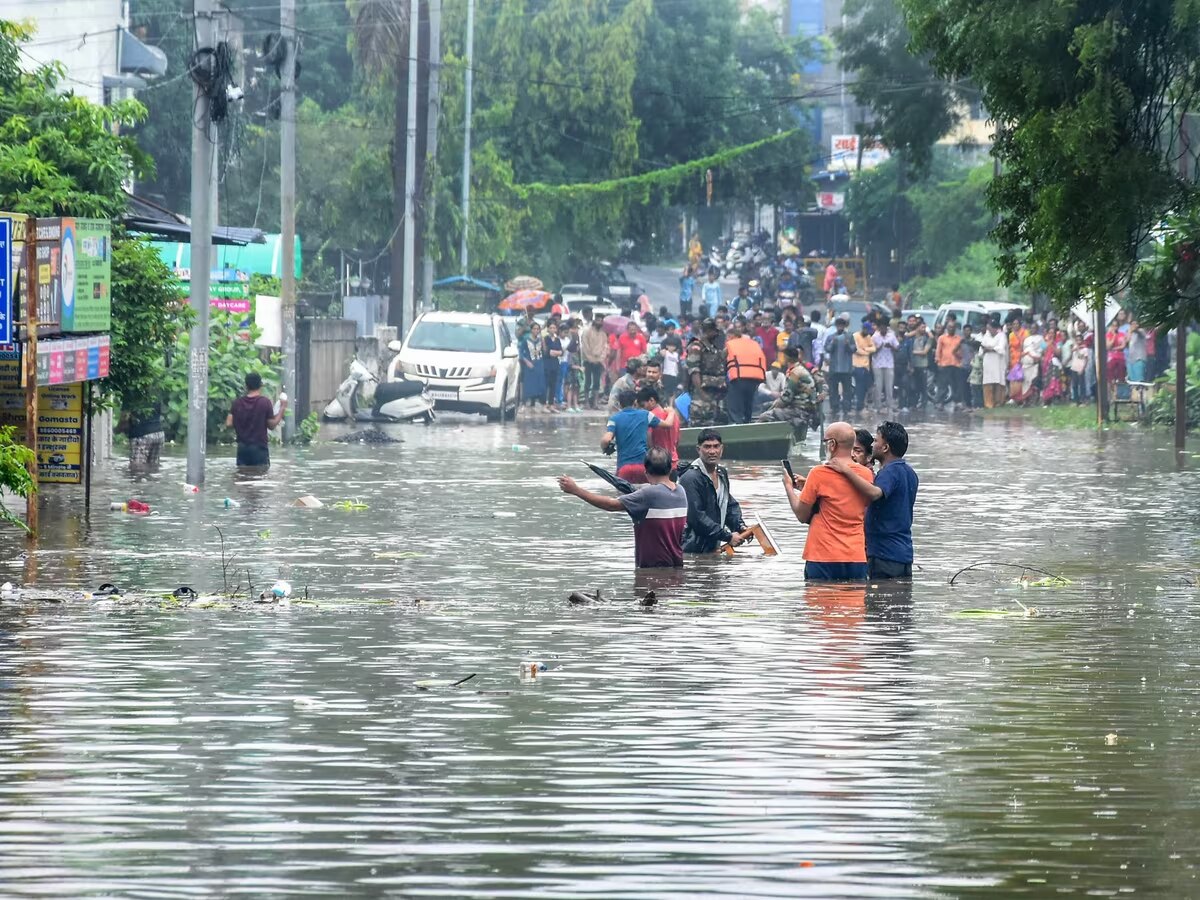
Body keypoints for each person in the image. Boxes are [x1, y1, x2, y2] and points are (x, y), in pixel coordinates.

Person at [557, 447, 687, 569]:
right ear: (670, 469)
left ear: (646, 471)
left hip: (652, 569)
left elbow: (610, 505)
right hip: (676, 567)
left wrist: (576, 490)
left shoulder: (648, 494)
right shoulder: (680, 491)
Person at [781, 421, 873, 580]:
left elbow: (802, 515)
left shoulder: (819, 473)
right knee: (854, 603)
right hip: (855, 555)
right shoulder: (866, 474)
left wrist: (789, 487)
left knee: (821, 601)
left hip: (822, 554)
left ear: (832, 444)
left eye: (825, 442)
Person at [826, 421, 917, 580]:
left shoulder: (890, 471)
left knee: (878, 602)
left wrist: (846, 470)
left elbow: (874, 493)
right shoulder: (909, 472)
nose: (872, 444)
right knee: (899, 602)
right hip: (903, 553)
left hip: (884, 554)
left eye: (876, 441)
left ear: (885, 448)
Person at [677, 429, 751, 553]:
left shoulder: (722, 473)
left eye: (716, 446)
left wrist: (740, 526)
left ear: (722, 449)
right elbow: (696, 517)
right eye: (707, 447)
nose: (712, 451)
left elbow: (728, 505)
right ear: (698, 449)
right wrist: (727, 536)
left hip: (712, 546)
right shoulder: (690, 478)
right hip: (691, 549)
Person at [602, 389, 666, 484]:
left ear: (619, 404)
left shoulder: (614, 419)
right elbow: (667, 424)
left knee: (623, 497)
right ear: (635, 402)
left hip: (624, 468)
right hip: (643, 467)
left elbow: (606, 439)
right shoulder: (645, 414)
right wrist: (672, 412)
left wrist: (605, 448)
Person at [226, 372, 285, 468]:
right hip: (259, 449)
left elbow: (228, 423)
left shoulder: (237, 403)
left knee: (242, 476)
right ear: (261, 385)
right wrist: (282, 409)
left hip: (242, 449)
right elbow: (272, 425)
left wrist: (242, 423)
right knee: (260, 477)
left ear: (246, 386)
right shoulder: (264, 402)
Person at [757, 346, 818, 436]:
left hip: (799, 409)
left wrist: (775, 406)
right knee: (768, 406)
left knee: (764, 416)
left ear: (787, 358)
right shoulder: (799, 369)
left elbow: (786, 398)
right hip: (804, 407)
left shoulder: (795, 373)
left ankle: (767, 440)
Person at [686, 319, 730, 426]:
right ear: (709, 331)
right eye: (715, 331)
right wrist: (701, 393)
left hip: (715, 395)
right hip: (701, 396)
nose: (717, 334)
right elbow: (694, 371)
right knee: (699, 426)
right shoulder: (696, 346)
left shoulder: (713, 349)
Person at [725, 322, 768, 424]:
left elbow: (723, 362)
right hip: (754, 378)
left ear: (732, 336)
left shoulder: (730, 345)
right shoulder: (753, 343)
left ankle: (736, 426)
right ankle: (747, 422)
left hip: (738, 377)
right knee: (748, 403)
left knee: (735, 405)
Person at [642, 386, 681, 467]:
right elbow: (677, 440)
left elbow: (649, 441)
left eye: (643, 405)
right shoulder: (674, 415)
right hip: (673, 462)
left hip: (657, 463)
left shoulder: (650, 416)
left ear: (651, 400)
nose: (642, 408)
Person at [119, 402, 165, 470]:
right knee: (153, 466)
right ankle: (152, 480)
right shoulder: (155, 393)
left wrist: (115, 430)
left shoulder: (130, 394)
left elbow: (124, 419)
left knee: (136, 468)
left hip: (141, 435)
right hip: (159, 433)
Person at [979, 318, 1008, 408]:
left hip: (998, 364)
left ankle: (998, 403)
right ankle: (989, 404)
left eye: (990, 329)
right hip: (988, 364)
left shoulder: (1002, 336)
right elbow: (981, 350)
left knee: (998, 382)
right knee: (988, 383)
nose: (988, 330)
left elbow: (1001, 349)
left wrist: (990, 349)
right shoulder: (986, 336)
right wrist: (987, 349)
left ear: (995, 329)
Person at [581, 317, 609, 408]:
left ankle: (595, 403)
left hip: (599, 361)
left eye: (601, 321)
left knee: (597, 382)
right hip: (588, 361)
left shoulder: (603, 334)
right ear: (594, 321)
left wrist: (600, 359)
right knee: (588, 382)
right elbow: (585, 347)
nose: (599, 322)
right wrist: (591, 359)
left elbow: (605, 347)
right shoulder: (587, 332)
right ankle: (586, 403)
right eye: (597, 320)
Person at [871, 320, 899, 412]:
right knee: (878, 386)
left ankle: (890, 405)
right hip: (877, 364)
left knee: (889, 386)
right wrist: (879, 347)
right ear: (879, 328)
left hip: (889, 363)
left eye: (885, 327)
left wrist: (890, 346)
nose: (883, 329)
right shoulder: (875, 337)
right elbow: (872, 351)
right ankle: (878, 406)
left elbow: (897, 348)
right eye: (881, 327)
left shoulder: (891, 336)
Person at [935, 321, 963, 408]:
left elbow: (961, 351)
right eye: (950, 327)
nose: (951, 328)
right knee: (942, 385)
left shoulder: (959, 339)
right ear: (946, 328)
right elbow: (938, 350)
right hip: (944, 364)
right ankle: (940, 402)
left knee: (956, 385)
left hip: (956, 364)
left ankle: (957, 402)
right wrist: (938, 361)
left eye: (953, 327)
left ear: (955, 328)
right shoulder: (942, 338)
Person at [519, 322, 547, 408]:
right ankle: (524, 402)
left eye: (538, 329)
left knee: (538, 383)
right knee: (529, 383)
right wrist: (526, 362)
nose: (536, 331)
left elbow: (545, 352)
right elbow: (520, 352)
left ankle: (533, 402)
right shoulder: (526, 339)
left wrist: (543, 342)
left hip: (539, 363)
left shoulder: (540, 340)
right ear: (531, 330)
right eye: (534, 329)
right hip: (529, 363)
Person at [852, 320, 876, 414]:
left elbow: (873, 348)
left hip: (866, 366)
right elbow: (857, 350)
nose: (867, 332)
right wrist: (866, 352)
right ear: (863, 328)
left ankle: (861, 405)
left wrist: (865, 350)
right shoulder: (855, 336)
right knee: (859, 387)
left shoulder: (868, 337)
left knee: (866, 387)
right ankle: (859, 406)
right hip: (857, 365)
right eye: (867, 330)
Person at [909, 320, 932, 409]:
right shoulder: (912, 338)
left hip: (923, 365)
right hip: (913, 365)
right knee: (914, 386)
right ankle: (913, 403)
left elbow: (924, 352)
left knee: (923, 387)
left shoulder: (926, 339)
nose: (924, 329)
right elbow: (906, 335)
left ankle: (923, 404)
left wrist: (913, 352)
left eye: (925, 327)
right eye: (922, 327)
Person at [543, 321, 564, 410]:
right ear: (547, 329)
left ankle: (551, 404)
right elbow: (547, 352)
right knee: (546, 384)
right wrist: (555, 352)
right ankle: (544, 403)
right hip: (547, 364)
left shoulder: (557, 339)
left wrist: (555, 352)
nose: (552, 330)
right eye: (551, 328)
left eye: (554, 328)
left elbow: (561, 351)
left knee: (553, 384)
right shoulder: (545, 339)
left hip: (555, 364)